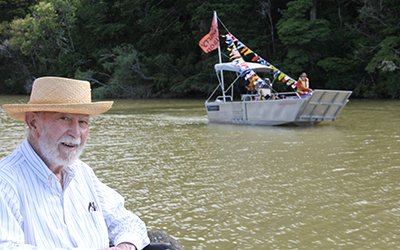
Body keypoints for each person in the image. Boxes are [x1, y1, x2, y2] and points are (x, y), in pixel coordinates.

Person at [0, 77, 150, 250]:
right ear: (33, 123)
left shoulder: (82, 172)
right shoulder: (5, 182)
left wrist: (125, 246)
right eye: (64, 118)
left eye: (83, 122)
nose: (76, 133)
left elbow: (127, 221)